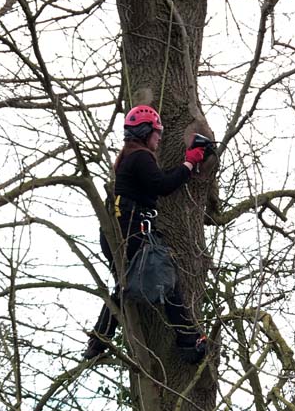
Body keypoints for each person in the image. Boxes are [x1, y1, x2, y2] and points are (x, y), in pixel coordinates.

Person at [83, 104, 208, 363]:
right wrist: (189, 162)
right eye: (156, 132)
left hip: (120, 234)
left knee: (124, 284)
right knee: (167, 279)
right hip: (133, 232)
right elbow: (162, 185)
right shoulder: (140, 157)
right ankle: (188, 340)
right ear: (144, 131)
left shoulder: (128, 157)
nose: (159, 137)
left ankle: (98, 341)